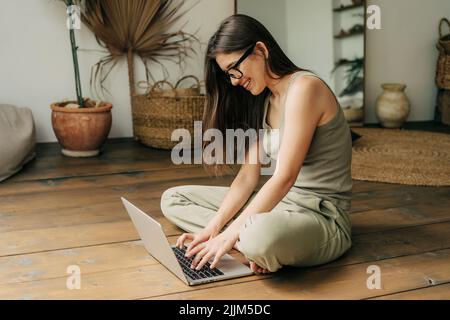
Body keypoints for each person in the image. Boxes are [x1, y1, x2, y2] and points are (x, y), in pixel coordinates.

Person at [160, 14, 353, 274]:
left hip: (321, 217)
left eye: (234, 69)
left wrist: (230, 236)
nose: (234, 81)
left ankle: (250, 239)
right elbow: (246, 179)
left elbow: (284, 178)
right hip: (280, 206)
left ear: (260, 50)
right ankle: (243, 238)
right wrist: (212, 229)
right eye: (228, 74)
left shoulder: (306, 88)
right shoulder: (263, 101)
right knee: (174, 199)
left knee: (258, 238)